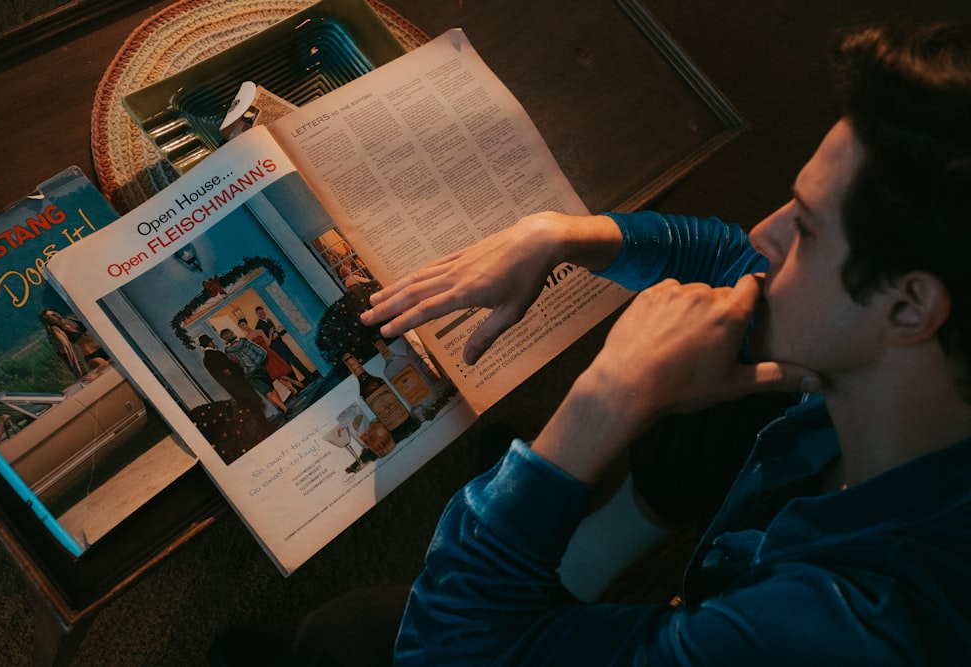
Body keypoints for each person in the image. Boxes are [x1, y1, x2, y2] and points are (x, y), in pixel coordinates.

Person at [353, 21, 971, 665]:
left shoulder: (840, 629)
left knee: (343, 633)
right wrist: (560, 235)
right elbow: (729, 254)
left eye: (807, 230)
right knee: (717, 331)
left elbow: (441, 653)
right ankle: (596, 550)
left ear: (910, 306)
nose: (763, 232)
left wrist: (601, 406)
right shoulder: (908, 382)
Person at [219, 328, 290, 415]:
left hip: (249, 374)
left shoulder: (228, 352)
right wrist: (259, 362)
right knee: (270, 387)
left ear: (224, 339)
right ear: (233, 333)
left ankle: (285, 409)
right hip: (260, 368)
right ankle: (284, 407)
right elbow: (261, 351)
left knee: (266, 391)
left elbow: (235, 366)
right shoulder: (244, 341)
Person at [237, 317, 305, 397]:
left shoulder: (259, 331)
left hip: (269, 353)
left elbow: (268, 343)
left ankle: (295, 387)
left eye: (243, 325)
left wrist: (270, 334)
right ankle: (294, 387)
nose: (243, 327)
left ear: (247, 324)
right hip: (261, 358)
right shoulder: (247, 339)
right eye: (241, 327)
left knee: (278, 373)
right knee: (275, 375)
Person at [254, 306, 320, 384]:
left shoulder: (268, 320)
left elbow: (275, 333)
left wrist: (280, 332)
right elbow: (266, 341)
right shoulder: (258, 326)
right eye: (259, 313)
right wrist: (273, 335)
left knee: (294, 360)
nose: (262, 314)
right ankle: (299, 383)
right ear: (257, 315)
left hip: (281, 344)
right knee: (288, 365)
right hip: (276, 349)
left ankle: (308, 376)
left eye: (262, 312)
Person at [39, 308, 110, 379]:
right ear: (49, 321)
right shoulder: (57, 331)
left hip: (102, 348)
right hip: (92, 355)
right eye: (51, 316)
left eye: (54, 312)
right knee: (105, 367)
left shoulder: (72, 320)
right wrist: (50, 328)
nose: (55, 314)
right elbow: (62, 345)